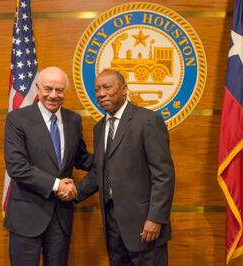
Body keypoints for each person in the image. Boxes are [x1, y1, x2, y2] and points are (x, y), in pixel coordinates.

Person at [66, 69, 175, 266]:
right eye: (97, 89)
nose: (101, 93)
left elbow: (163, 175)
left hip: (145, 224)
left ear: (124, 90)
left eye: (107, 87)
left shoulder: (147, 120)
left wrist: (156, 219)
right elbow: (101, 171)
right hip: (112, 224)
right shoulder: (99, 128)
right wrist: (74, 192)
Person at [3, 66, 93, 266]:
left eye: (59, 90)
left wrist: (113, 159)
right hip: (26, 217)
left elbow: (81, 159)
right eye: (48, 89)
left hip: (60, 219)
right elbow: (17, 167)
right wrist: (57, 185)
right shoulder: (18, 119)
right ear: (37, 88)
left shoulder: (74, 120)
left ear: (65, 91)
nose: (54, 95)